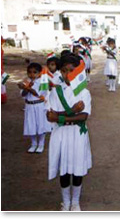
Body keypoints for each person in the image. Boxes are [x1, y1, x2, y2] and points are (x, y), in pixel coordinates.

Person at [46, 54, 92, 211]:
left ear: (78, 72)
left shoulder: (83, 92)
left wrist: (59, 117)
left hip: (77, 134)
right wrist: (72, 111)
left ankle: (75, 202)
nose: (67, 74)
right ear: (60, 72)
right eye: (64, 71)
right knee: (64, 171)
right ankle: (65, 202)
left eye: (71, 70)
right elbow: (49, 116)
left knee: (77, 169)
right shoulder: (55, 92)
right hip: (61, 135)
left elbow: (83, 116)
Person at [17, 63, 51, 153]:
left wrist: (27, 87)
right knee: (31, 124)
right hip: (29, 106)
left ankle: (41, 144)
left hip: (39, 105)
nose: (32, 74)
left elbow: (37, 94)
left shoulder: (43, 82)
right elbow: (23, 94)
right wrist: (25, 88)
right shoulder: (26, 81)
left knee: (41, 124)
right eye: (29, 72)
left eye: (34, 72)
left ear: (39, 73)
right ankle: (33, 143)